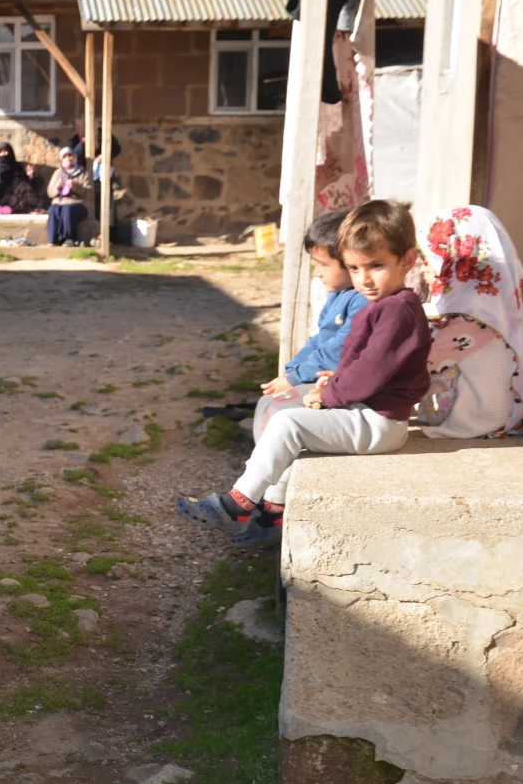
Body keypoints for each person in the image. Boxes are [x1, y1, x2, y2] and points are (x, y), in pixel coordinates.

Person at [177, 200, 430, 547]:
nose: (365, 279)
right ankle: (273, 514)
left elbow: (370, 372)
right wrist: (334, 381)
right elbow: (368, 364)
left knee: (288, 425)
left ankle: (237, 504)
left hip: (379, 423)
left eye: (376, 265)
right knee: (291, 431)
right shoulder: (386, 304)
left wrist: (328, 394)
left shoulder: (397, 311)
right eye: (355, 268)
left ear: (408, 260)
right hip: (368, 413)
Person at [415, 205, 523, 439]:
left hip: (484, 417)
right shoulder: (498, 302)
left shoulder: (469, 315)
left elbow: (420, 359)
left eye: (429, 257)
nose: (423, 266)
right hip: (513, 406)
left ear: (457, 255)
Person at [253, 207, 367, 440]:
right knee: (268, 404)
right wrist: (291, 371)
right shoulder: (339, 296)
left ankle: (274, 471)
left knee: (278, 411)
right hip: (322, 378)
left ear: (349, 260)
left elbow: (338, 348)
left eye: (323, 264)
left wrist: (295, 379)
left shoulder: (363, 301)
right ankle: (266, 466)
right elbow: (319, 339)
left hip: (347, 391)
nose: (317, 273)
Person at [46, 146, 91, 246]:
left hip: (77, 205)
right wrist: (57, 187)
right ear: (61, 159)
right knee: (53, 209)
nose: (68, 158)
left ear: (75, 157)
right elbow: (50, 192)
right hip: (59, 203)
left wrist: (76, 186)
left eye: (70, 155)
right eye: (65, 156)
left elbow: (88, 193)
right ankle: (53, 239)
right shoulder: (57, 173)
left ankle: (69, 239)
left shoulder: (83, 173)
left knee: (68, 209)